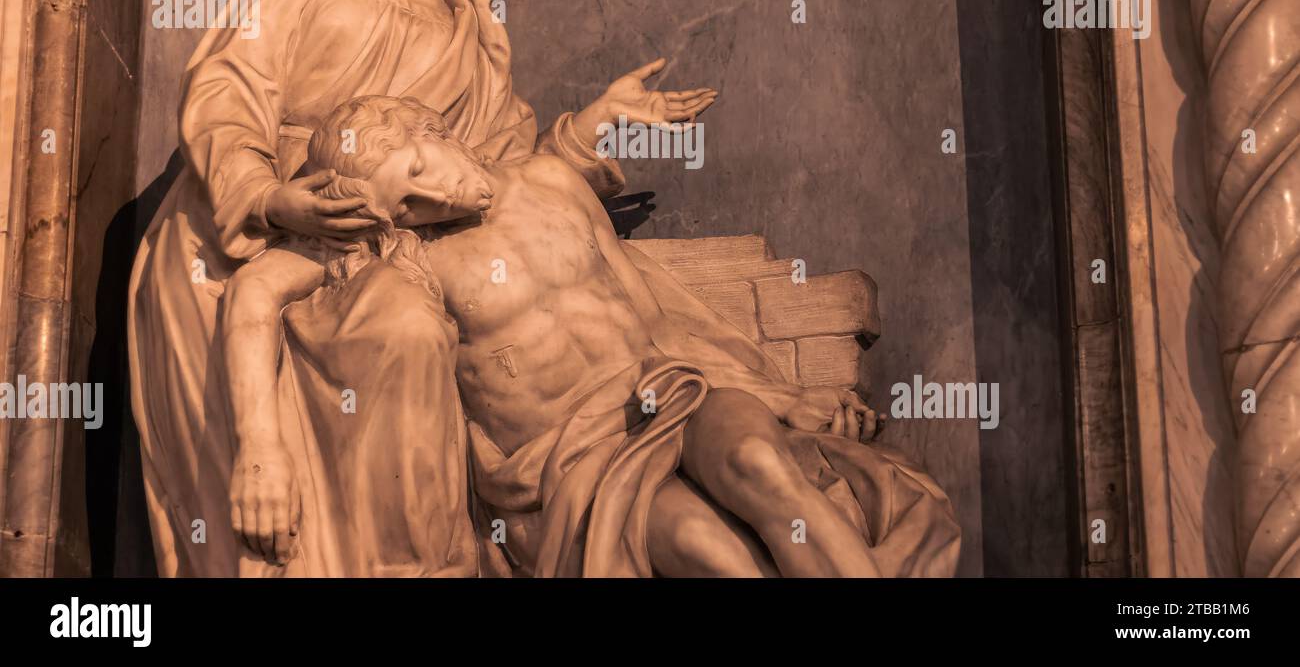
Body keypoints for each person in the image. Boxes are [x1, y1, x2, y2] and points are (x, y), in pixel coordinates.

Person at [128, 0, 715, 576]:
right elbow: (226, 90)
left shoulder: (470, 41)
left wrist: (593, 127)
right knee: (343, 326)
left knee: (410, 331)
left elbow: (498, 179)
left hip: (370, 247)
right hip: (239, 227)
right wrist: (271, 196)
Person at [223, 95, 956, 578]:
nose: (430, 199)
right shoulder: (399, 254)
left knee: (760, 461)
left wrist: (790, 398)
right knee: (712, 553)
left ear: (434, 132)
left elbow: (658, 316)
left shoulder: (548, 180)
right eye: (404, 202)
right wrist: (261, 448)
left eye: (419, 172)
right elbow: (255, 290)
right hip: (573, 463)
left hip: (672, 391)